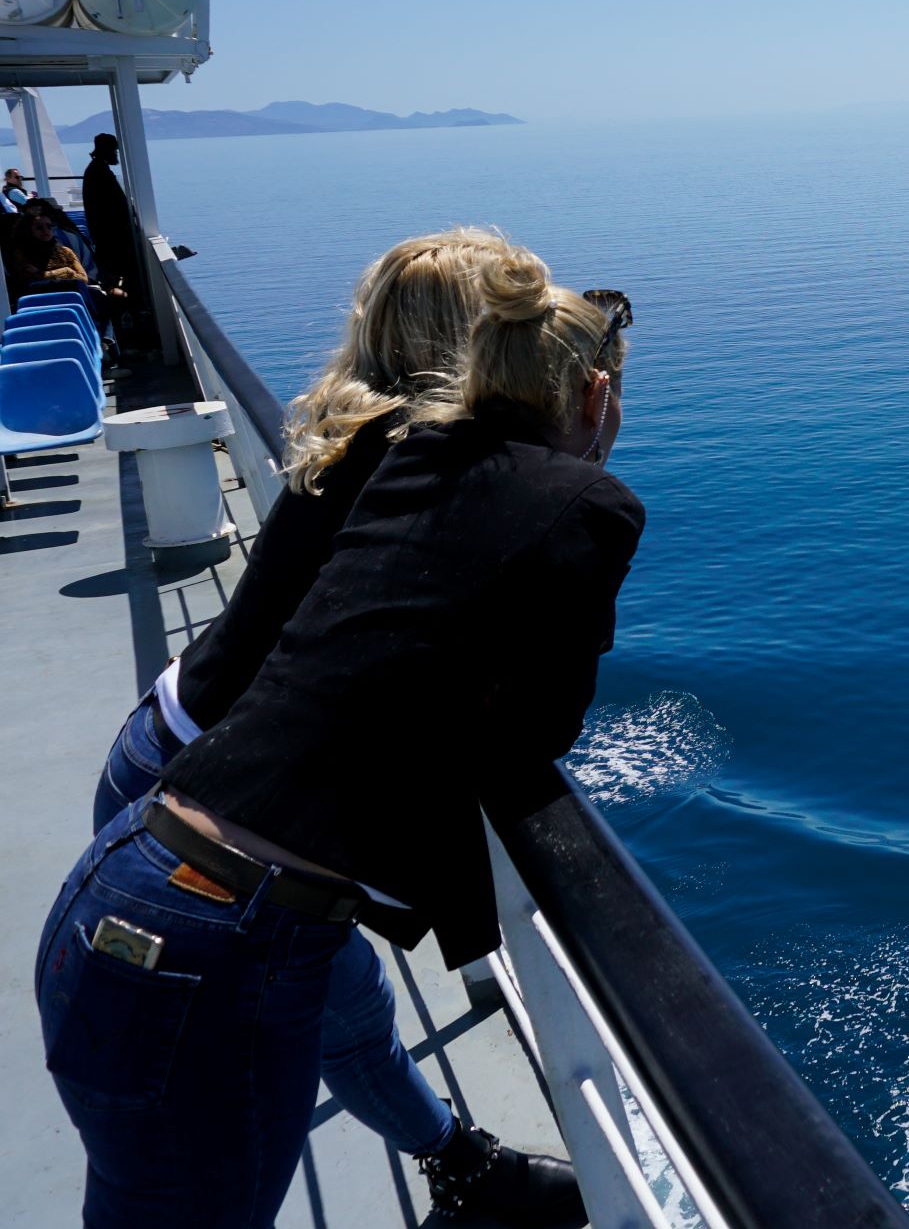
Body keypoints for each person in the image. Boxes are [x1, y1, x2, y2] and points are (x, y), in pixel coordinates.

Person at [37, 251, 640, 1228]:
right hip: (216, 941)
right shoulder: (574, 501)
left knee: (344, 1030)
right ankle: (464, 1166)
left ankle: (460, 1165)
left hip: (140, 866)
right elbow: (538, 731)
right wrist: (576, 486)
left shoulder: (400, 447)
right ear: (597, 393)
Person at [80, 132, 136, 293]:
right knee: (119, 274)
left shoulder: (96, 170)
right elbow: (113, 204)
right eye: (114, 151)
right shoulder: (99, 172)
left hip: (107, 235)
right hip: (111, 236)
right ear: (106, 150)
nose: (116, 154)